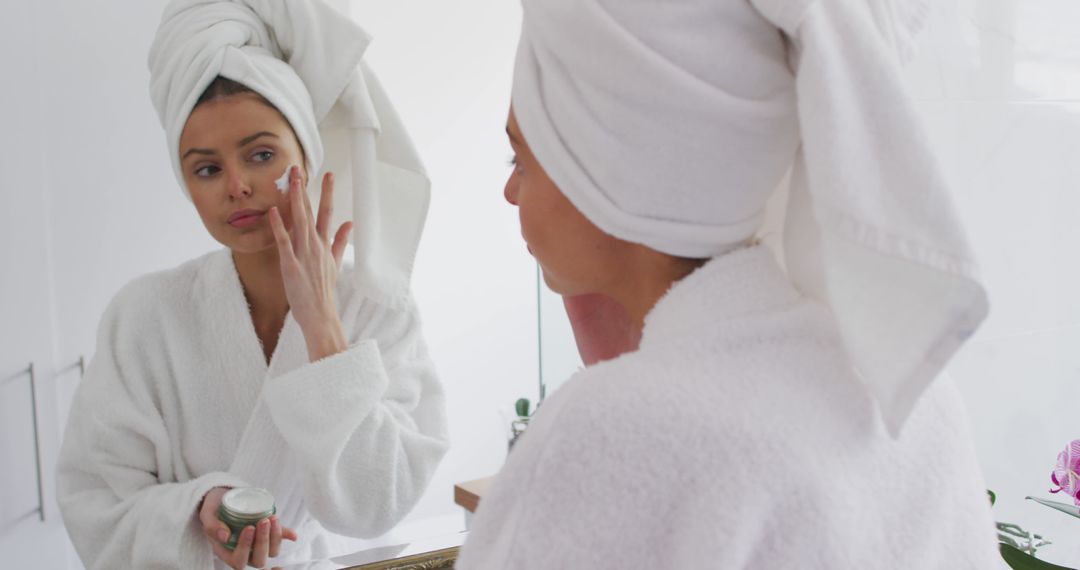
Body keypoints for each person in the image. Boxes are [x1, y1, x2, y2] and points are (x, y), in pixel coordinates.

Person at [456, 0, 1000, 567]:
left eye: (518, 160)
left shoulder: (610, 433)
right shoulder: (913, 397)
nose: (510, 194)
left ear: (604, 172)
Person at [55, 2, 448, 569]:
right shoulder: (142, 316)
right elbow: (93, 504)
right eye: (207, 169)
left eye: (261, 155)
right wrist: (199, 509)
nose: (237, 186)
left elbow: (375, 505)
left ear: (306, 158)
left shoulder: (377, 304)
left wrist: (325, 334)